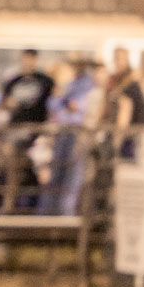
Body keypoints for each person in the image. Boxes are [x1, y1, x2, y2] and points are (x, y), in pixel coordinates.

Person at [46, 59, 103, 216]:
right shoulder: (70, 85)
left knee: (74, 176)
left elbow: (76, 106)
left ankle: (66, 212)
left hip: (79, 134)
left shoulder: (89, 86)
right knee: (59, 173)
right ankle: (54, 212)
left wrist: (65, 102)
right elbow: (53, 104)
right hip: (64, 133)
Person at [1, 49, 56, 127]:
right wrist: (8, 104)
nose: (28, 63)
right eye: (26, 59)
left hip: (38, 124)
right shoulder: (13, 81)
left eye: (31, 59)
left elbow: (55, 100)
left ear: (36, 60)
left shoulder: (46, 80)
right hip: (17, 123)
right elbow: (4, 102)